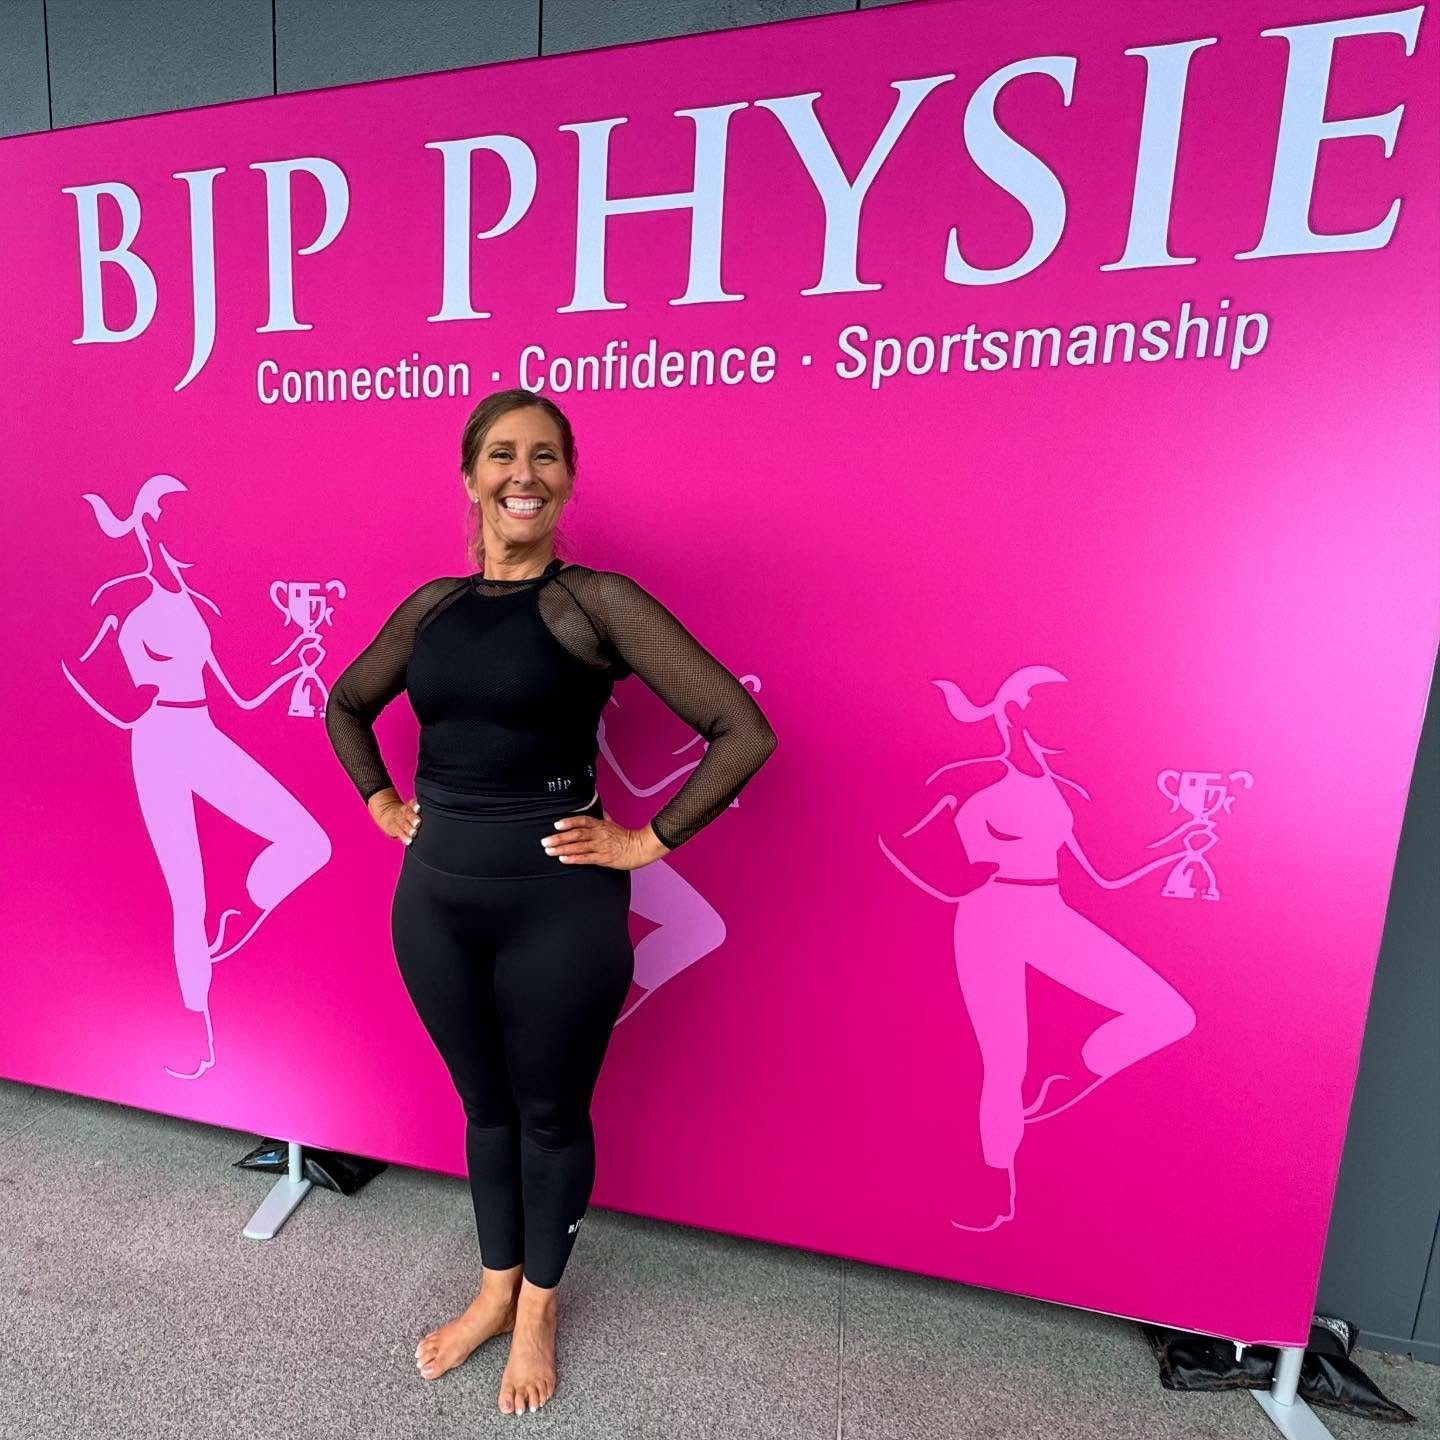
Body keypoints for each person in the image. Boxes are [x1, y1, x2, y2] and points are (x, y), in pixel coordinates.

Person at [323, 389, 777, 1415]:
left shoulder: (595, 602)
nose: (521, 475)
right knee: (484, 1110)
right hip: (434, 904)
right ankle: (493, 1291)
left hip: (558, 909)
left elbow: (741, 731)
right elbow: (346, 702)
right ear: (470, 477)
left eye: (544, 457)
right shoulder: (433, 608)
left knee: (549, 1114)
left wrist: (644, 842)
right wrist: (383, 800)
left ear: (569, 480)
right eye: (501, 455)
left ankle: (537, 1308)